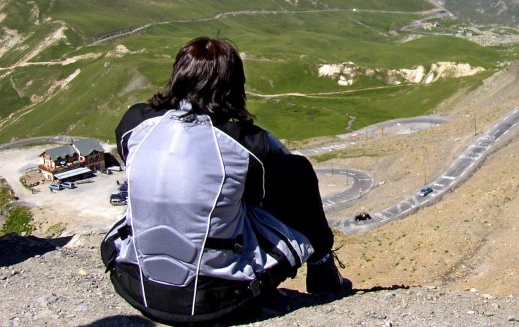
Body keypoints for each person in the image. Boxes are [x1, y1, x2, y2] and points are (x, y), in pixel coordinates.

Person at [103, 37, 351, 323]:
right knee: (297, 171)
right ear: (234, 85)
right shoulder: (248, 142)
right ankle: (322, 268)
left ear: (178, 76)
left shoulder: (134, 122)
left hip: (135, 284)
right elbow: (265, 196)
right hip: (217, 298)